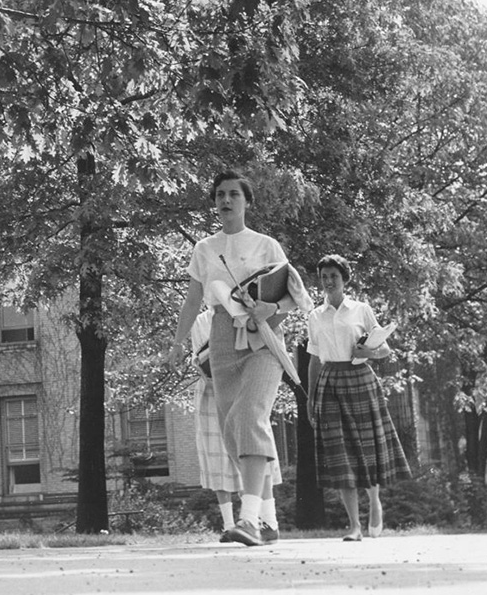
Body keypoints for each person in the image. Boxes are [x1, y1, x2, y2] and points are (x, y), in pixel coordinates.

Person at [172, 170, 312, 546]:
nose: (225, 200)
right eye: (219, 194)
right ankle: (268, 522)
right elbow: (191, 300)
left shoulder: (267, 245)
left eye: (234, 194)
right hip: (221, 339)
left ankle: (248, 520)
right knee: (234, 430)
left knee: (251, 416)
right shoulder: (203, 248)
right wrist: (177, 342)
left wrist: (271, 308)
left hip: (263, 339)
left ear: (247, 201)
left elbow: (294, 297)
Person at [305, 254, 410, 541]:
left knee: (365, 449)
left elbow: (384, 350)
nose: (328, 281)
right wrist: (310, 397)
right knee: (340, 457)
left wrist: (368, 353)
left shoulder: (361, 310)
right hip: (329, 383)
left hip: (361, 380)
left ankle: (374, 502)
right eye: (324, 276)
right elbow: (314, 359)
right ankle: (354, 525)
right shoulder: (314, 316)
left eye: (333, 276)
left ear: (344, 279)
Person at [190, 309, 284, 542]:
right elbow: (199, 358)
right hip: (214, 387)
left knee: (254, 441)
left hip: (245, 384)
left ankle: (266, 520)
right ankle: (232, 524)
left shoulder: (244, 312)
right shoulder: (202, 321)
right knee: (222, 455)